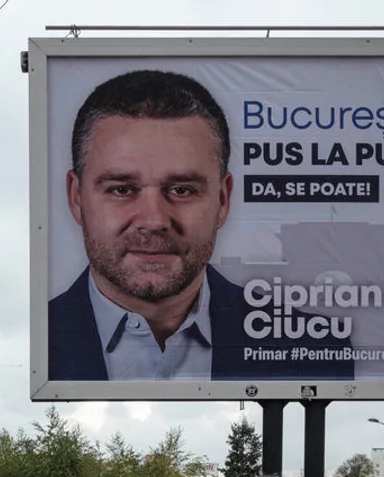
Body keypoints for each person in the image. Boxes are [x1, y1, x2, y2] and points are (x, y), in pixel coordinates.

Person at [49, 69, 354, 382]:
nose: (154, 221)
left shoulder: (313, 349)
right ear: (76, 197)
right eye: (122, 189)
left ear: (223, 200)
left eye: (182, 190)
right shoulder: (39, 341)